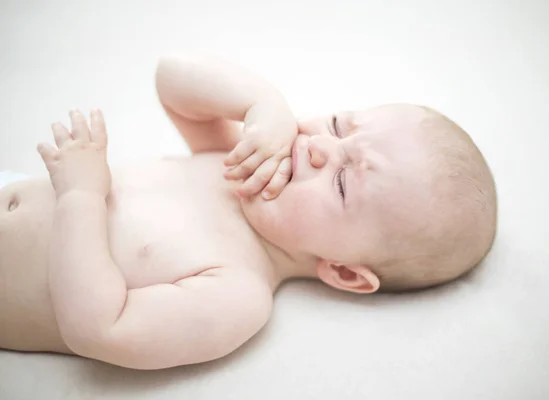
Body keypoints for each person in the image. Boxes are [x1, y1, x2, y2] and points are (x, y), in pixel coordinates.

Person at [0, 54, 496, 370]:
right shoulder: (234, 163)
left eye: (343, 182)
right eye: (342, 125)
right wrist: (263, 104)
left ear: (343, 271)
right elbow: (172, 76)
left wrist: (80, 197)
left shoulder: (238, 293)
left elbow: (101, 330)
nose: (321, 145)